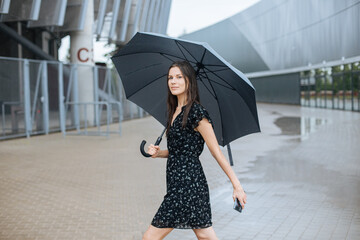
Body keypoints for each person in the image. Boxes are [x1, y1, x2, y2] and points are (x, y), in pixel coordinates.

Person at [143, 61, 247, 240]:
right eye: (170, 78)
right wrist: (158, 153)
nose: (173, 82)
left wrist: (237, 186)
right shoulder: (174, 111)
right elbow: (179, 151)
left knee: (149, 237)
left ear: (189, 81)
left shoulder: (197, 113)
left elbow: (216, 152)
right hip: (177, 183)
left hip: (188, 185)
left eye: (178, 77)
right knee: (205, 235)